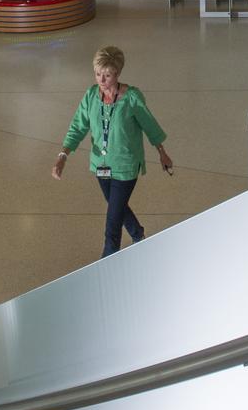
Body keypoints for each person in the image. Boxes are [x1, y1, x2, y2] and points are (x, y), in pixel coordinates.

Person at [52, 46, 173, 257]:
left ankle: (106, 263)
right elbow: (78, 126)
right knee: (117, 206)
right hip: (101, 165)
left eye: (107, 75)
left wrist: (162, 152)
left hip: (126, 166)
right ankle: (137, 233)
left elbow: (149, 125)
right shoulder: (91, 96)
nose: (101, 79)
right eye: (98, 74)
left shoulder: (132, 98)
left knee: (112, 221)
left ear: (117, 73)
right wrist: (63, 155)